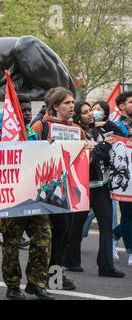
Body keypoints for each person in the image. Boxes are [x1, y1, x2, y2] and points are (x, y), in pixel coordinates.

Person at [0, 94, 54, 300]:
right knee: (12, 243)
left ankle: (36, 283)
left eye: (29, 108)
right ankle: (13, 285)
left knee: (43, 237)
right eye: (22, 109)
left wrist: (48, 148)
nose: (28, 112)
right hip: (12, 198)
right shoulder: (0, 133)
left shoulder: (32, 134)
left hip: (34, 196)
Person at [31, 88, 86, 291]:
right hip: (44, 191)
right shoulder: (41, 126)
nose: (72, 106)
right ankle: (40, 279)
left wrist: (89, 149)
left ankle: (54, 278)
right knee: (45, 238)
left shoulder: (77, 129)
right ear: (55, 106)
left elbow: (84, 159)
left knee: (64, 235)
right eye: (66, 103)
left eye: (72, 102)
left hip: (68, 191)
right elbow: (28, 150)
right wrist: (45, 146)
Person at [65, 101, 125, 278]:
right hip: (83, 187)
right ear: (77, 116)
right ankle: (71, 260)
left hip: (101, 186)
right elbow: (91, 156)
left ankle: (106, 266)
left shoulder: (97, 130)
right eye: (85, 112)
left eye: (91, 111)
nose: (91, 114)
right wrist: (104, 144)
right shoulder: (74, 132)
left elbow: (119, 136)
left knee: (106, 225)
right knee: (76, 226)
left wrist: (105, 126)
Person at [112, 91, 132, 266]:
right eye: (131, 102)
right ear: (122, 106)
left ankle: (114, 235)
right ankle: (131, 251)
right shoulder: (117, 126)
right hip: (125, 177)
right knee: (127, 215)